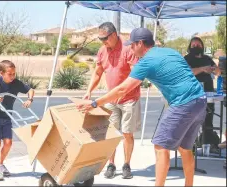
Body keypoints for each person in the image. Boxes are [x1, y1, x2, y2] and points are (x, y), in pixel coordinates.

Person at [77, 28, 207, 186]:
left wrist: (94, 103)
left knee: (160, 146)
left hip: (183, 103)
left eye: (132, 45)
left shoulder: (145, 62)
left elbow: (122, 89)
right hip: (200, 99)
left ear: (140, 43)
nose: (130, 48)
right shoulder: (169, 52)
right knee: (185, 148)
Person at [82, 22, 141, 179]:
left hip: (129, 99)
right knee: (110, 133)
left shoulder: (128, 49)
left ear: (114, 35)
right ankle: (111, 164)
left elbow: (136, 75)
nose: (103, 42)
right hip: (111, 99)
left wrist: (125, 91)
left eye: (105, 39)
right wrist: (89, 91)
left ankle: (127, 165)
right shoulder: (102, 51)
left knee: (127, 133)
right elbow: (98, 72)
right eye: (100, 39)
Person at [0, 60, 35, 181]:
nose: (12, 76)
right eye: (10, 74)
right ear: (2, 73)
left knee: (8, 143)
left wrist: (29, 100)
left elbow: (30, 90)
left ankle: (1, 164)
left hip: (7, 117)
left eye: (14, 73)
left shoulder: (16, 83)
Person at [184, 37, 221, 151]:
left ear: (202, 46)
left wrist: (214, 69)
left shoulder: (207, 58)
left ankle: (208, 142)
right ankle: (190, 144)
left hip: (209, 91)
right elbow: (187, 71)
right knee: (193, 119)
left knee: (208, 118)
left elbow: (218, 72)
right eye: (193, 45)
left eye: (198, 44)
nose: (196, 46)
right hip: (193, 92)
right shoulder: (187, 58)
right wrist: (202, 69)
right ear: (190, 47)